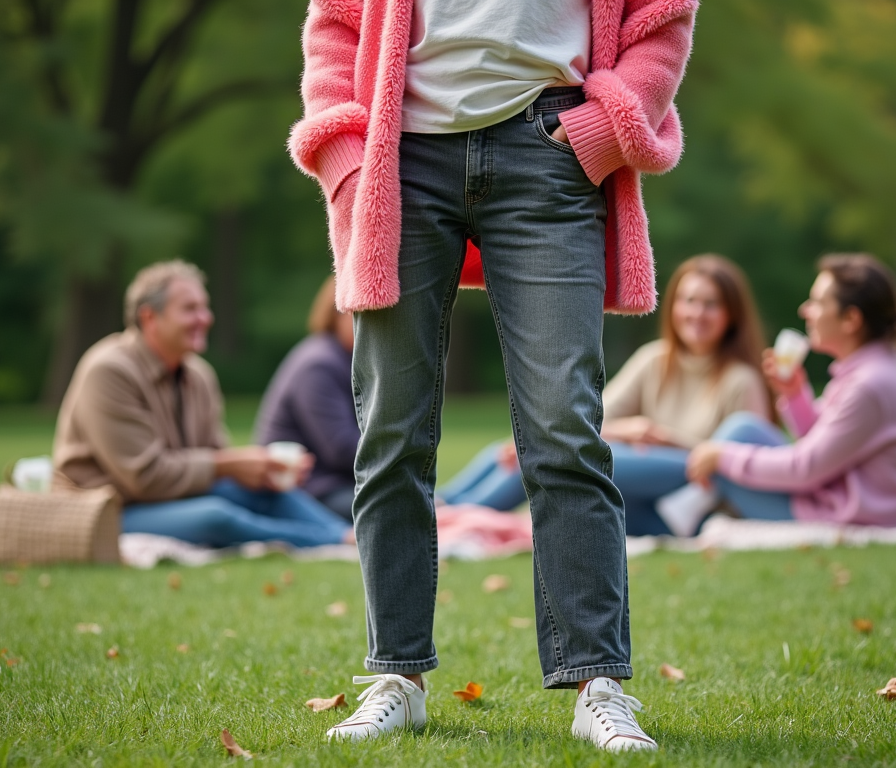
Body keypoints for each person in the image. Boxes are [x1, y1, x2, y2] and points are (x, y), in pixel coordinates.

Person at [288, 0, 697, 751]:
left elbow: (659, 19)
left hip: (550, 149)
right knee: (392, 431)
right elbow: (336, 28)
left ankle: (596, 684)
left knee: (564, 429)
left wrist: (603, 133)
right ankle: (398, 678)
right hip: (399, 157)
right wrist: (345, 159)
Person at [440, 254, 772, 536]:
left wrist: (661, 438)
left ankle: (444, 518)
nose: (697, 313)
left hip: (690, 495)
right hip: (641, 487)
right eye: (689, 301)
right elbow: (593, 418)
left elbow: (748, 467)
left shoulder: (740, 380)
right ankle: (441, 502)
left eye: (710, 304)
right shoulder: (655, 359)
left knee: (551, 456)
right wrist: (630, 430)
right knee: (518, 450)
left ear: (731, 315)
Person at [53, 260, 354, 549]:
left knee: (262, 491)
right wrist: (228, 465)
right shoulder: (109, 371)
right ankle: (332, 543)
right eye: (189, 309)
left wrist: (253, 470)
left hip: (176, 498)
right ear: (149, 318)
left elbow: (214, 453)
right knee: (215, 516)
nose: (205, 318)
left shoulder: (198, 375)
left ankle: (348, 534)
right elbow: (144, 478)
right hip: (114, 510)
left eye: (204, 307)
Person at [685, 254, 896, 528]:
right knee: (743, 429)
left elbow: (806, 468)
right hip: (831, 499)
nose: (805, 310)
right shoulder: (866, 371)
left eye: (816, 302)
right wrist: (795, 394)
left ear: (851, 319)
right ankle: (681, 511)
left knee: (727, 459)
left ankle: (676, 515)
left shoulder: (870, 384)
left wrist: (722, 457)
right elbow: (823, 445)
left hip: (848, 518)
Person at [254, 277, 358, 521]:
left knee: (425, 503)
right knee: (408, 509)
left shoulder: (345, 359)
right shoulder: (319, 364)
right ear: (337, 313)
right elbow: (342, 449)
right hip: (307, 492)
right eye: (359, 314)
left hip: (336, 484)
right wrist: (400, 455)